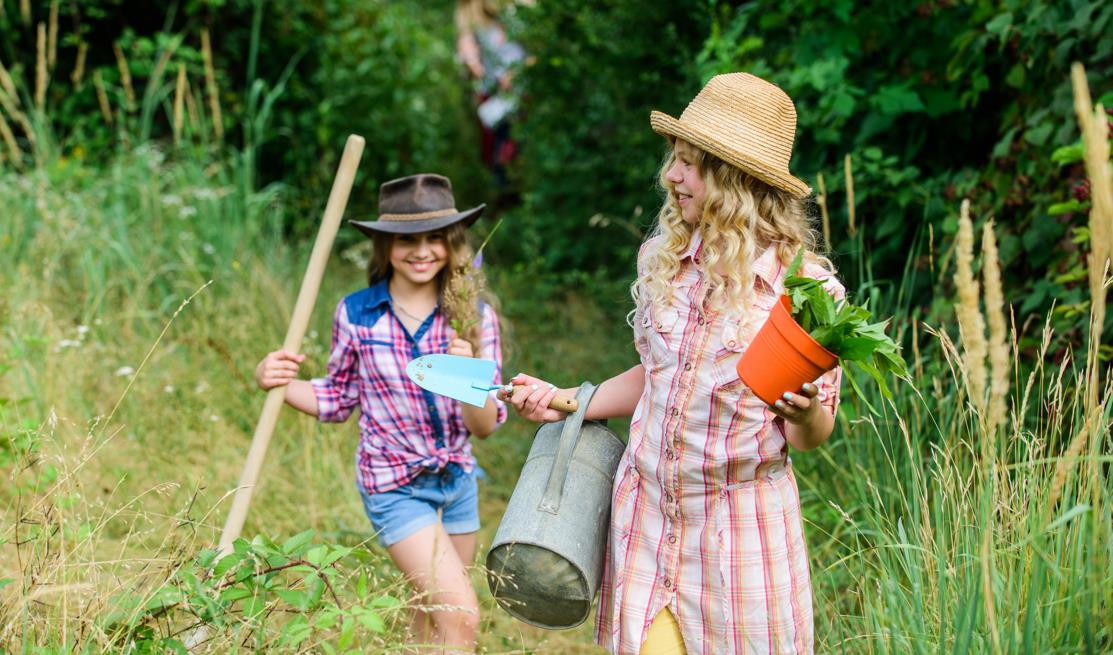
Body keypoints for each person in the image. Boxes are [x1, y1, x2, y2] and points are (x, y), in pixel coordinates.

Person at [500, 73, 842, 654]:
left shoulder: (805, 293)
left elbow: (811, 436)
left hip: (740, 535)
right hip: (648, 520)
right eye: (674, 160)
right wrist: (568, 400)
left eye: (689, 164)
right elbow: (656, 378)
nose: (672, 176)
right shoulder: (666, 261)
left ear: (736, 180)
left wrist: (805, 411)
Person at [255, 173, 506, 653]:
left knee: (430, 618)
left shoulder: (472, 318)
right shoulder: (357, 314)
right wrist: (277, 382)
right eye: (407, 239)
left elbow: (487, 428)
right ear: (385, 246)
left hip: (457, 483)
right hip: (394, 485)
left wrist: (467, 376)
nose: (422, 250)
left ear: (453, 243)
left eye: (435, 237)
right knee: (461, 618)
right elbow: (336, 399)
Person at [454, 0, 526, 188]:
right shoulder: (473, 16)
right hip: (495, 93)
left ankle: (515, 189)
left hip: (521, 91)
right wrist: (472, 62)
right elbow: (466, 41)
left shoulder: (516, 11)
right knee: (497, 144)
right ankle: (505, 190)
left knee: (513, 143)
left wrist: (516, 72)